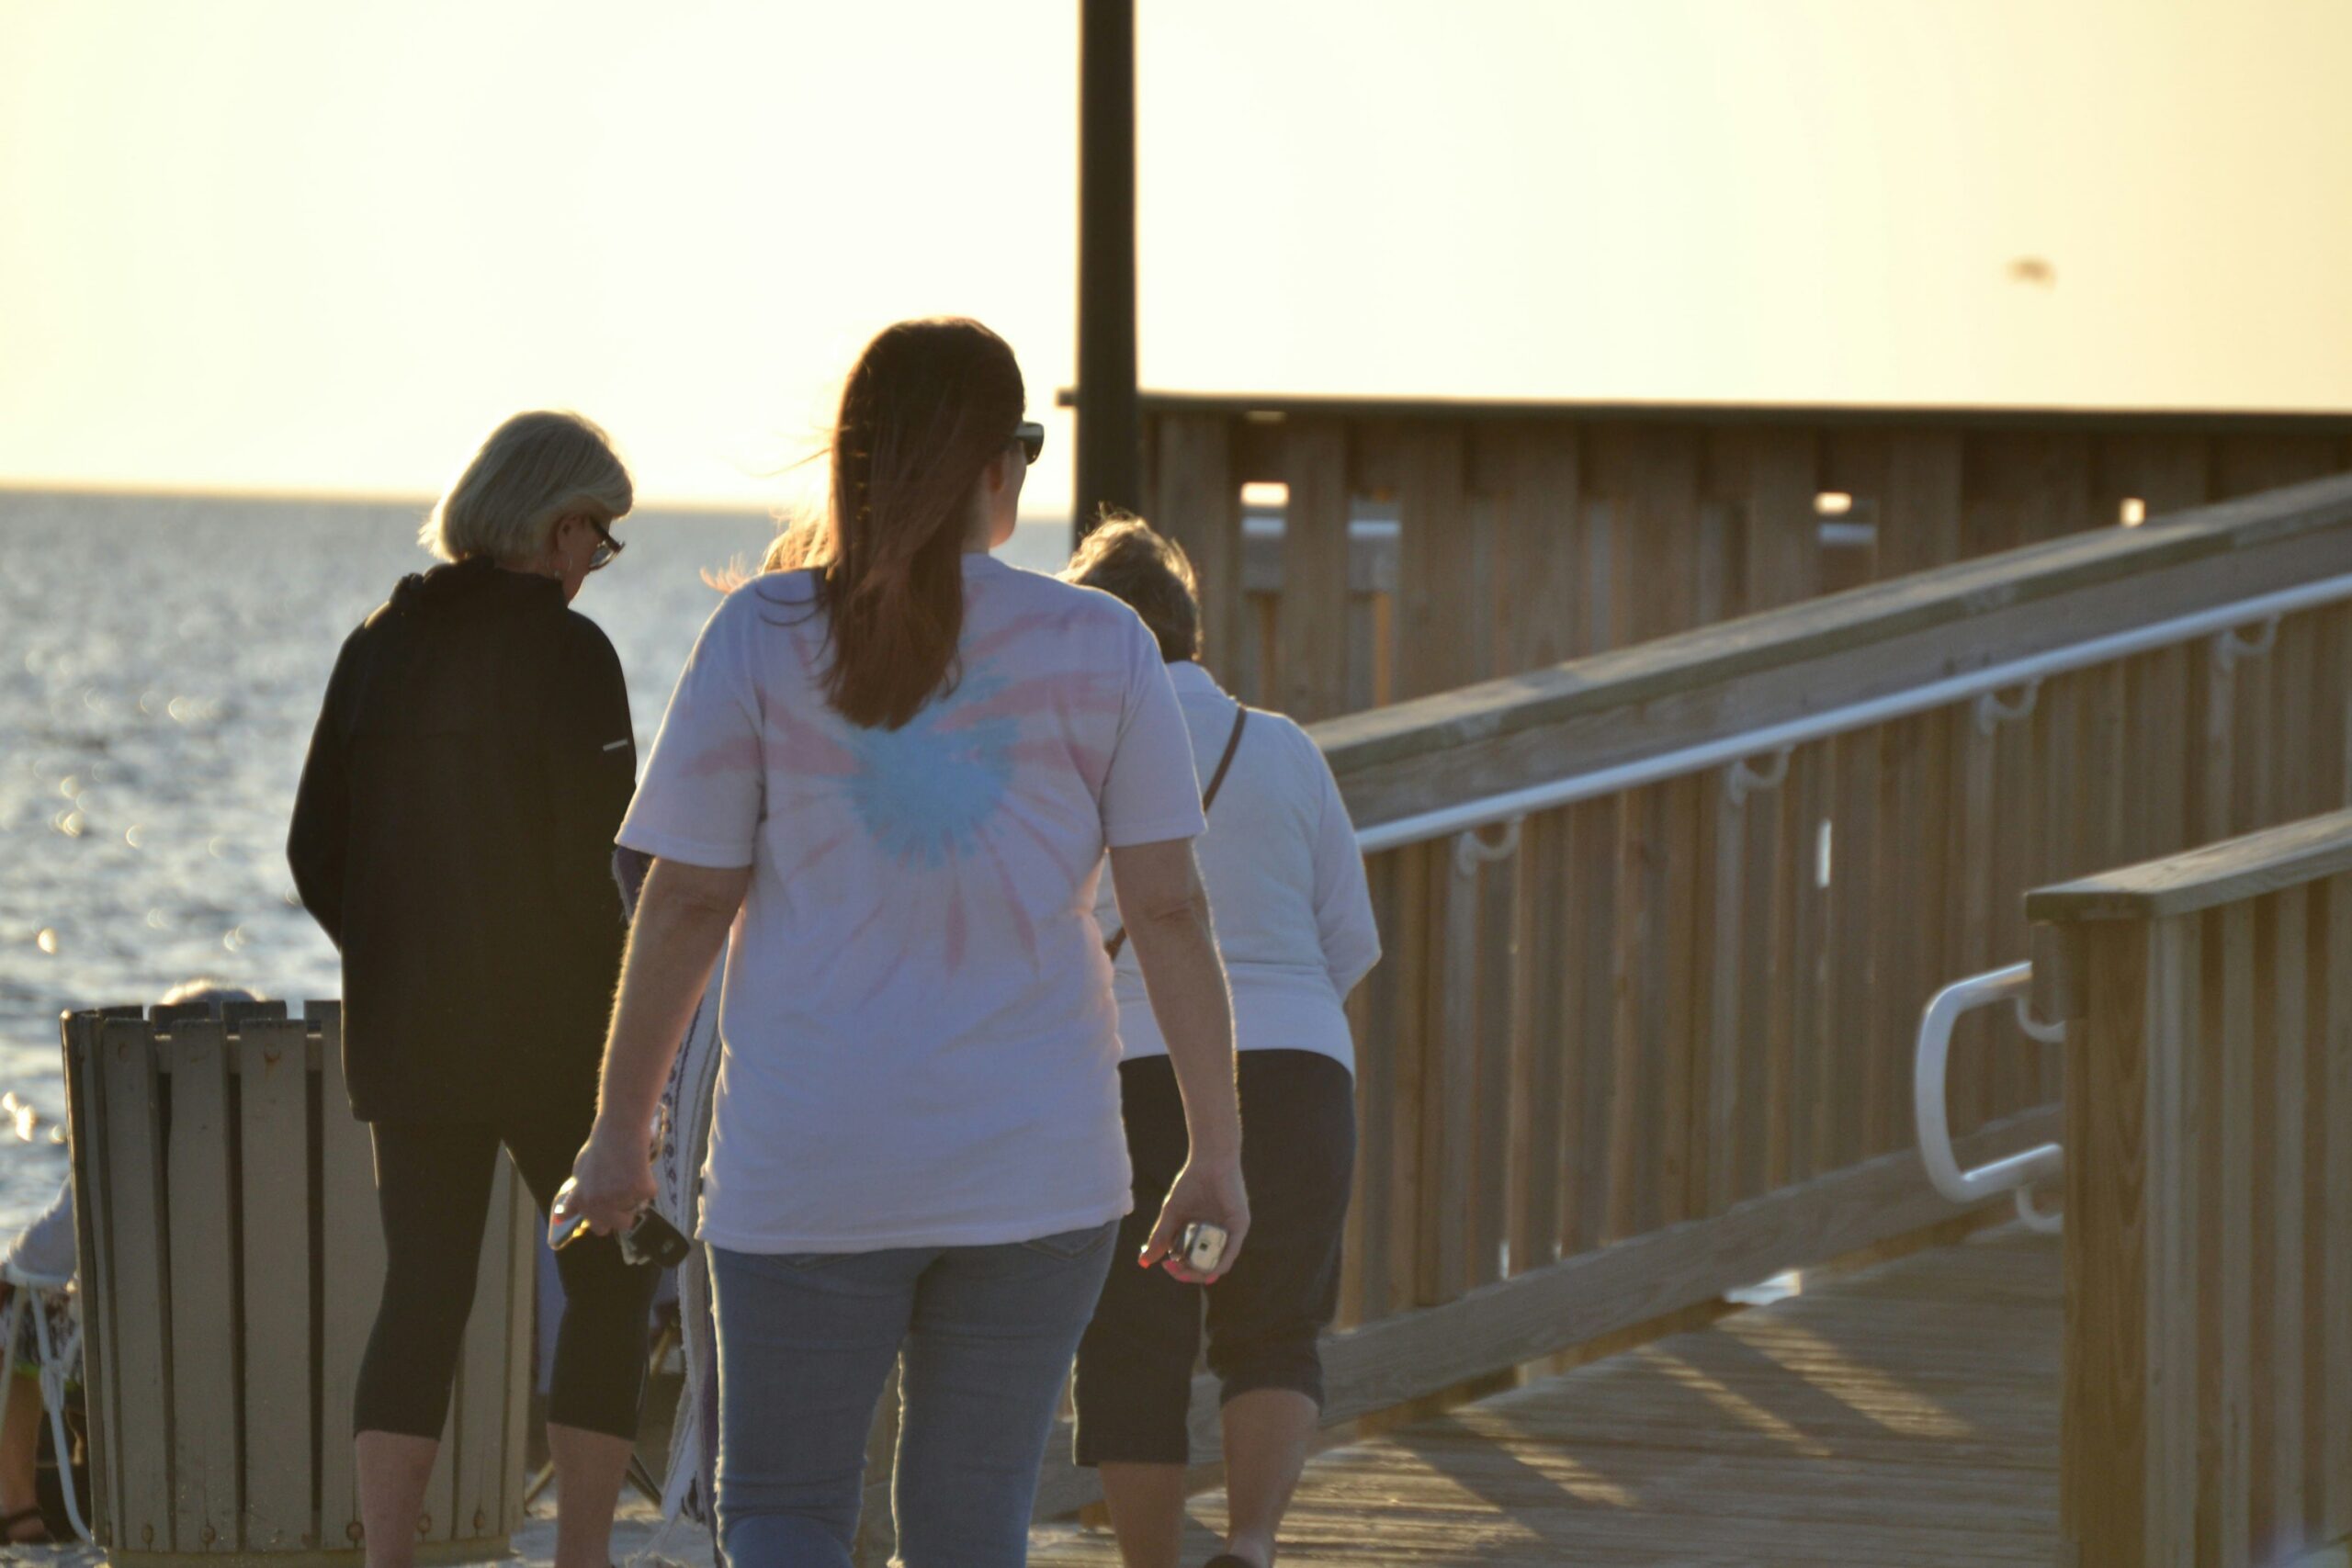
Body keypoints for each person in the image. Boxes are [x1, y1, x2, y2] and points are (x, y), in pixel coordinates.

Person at [559, 317, 1250, 1568]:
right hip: (1038, 1166)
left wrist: (622, 1131)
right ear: (991, 464)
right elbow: (1169, 910)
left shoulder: (764, 635)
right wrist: (1215, 1148)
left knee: (781, 1513)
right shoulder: (1106, 645)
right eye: (1026, 445)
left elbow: (684, 901)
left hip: (808, 1159)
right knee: (970, 1528)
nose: (1028, 473)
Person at [288, 411, 661, 1568]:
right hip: (554, 1029)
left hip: (411, 1035)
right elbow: (594, 866)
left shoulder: (376, 644)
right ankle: (583, 1556)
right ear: (556, 526)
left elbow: (313, 849)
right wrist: (626, 1033)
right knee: (606, 1281)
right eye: (597, 540)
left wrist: (399, 955)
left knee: (424, 1292)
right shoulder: (569, 657)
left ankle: (388, 1558)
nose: (593, 567)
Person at [1063, 518, 1378, 1568]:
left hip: (1134, 1070)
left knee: (1133, 1337)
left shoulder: (1079, 749)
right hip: (1301, 1072)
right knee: (1275, 1327)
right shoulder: (1284, 746)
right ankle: (1248, 1544)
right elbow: (1349, 940)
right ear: (1190, 629)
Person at [0, 978, 258, 1544]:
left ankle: (16, 1507)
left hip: (140, 1358)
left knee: (13, 1307)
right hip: (273, 1360)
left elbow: (38, 1262)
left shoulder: (121, 1140)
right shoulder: (301, 1148)